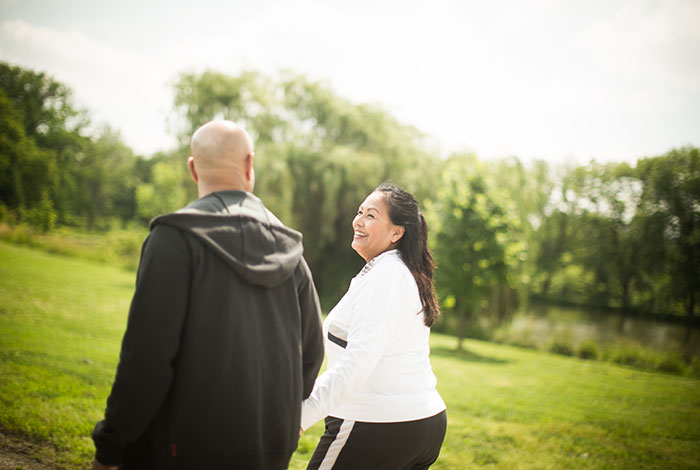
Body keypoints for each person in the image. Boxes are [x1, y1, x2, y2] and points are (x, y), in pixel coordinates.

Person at [91, 120, 325, 470]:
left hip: (180, 449)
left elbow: (147, 358)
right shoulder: (292, 253)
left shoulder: (174, 240)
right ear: (250, 165)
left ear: (192, 169)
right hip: (269, 450)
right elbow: (311, 355)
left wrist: (111, 446)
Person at [300, 182, 447, 469]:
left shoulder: (387, 276)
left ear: (396, 232)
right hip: (422, 424)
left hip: (377, 425)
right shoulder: (396, 272)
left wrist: (300, 417)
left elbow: (357, 362)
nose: (358, 220)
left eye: (371, 215)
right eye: (359, 212)